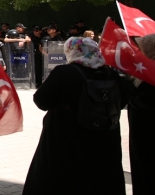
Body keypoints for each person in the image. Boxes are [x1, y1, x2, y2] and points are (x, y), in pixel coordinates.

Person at [23, 37, 127, 195]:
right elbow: (123, 100)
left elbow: (41, 101)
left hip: (66, 138)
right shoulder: (110, 73)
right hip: (104, 138)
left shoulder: (64, 72)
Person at [129, 34, 155, 195]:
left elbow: (147, 100)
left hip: (149, 132)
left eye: (141, 47)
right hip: (142, 131)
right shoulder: (145, 68)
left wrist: (130, 95)